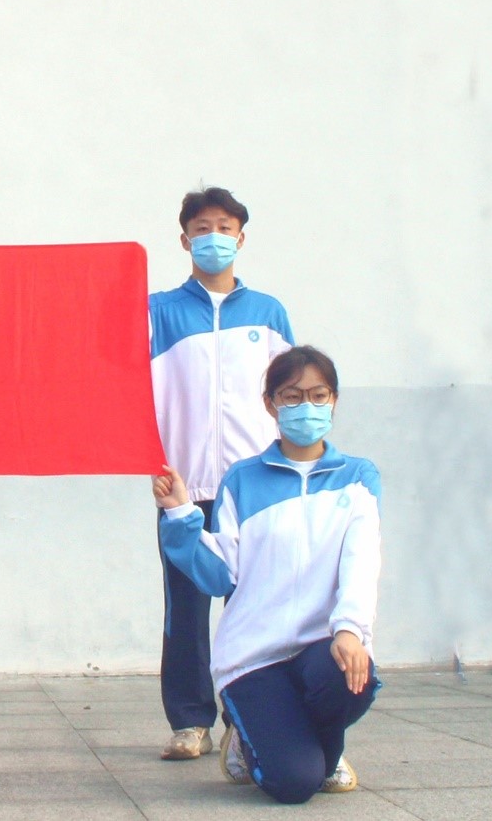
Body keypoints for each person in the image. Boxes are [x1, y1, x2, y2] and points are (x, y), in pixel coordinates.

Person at [153, 345, 381, 804]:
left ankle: (318, 747)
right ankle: (249, 739)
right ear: (270, 404)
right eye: (292, 396)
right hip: (255, 658)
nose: (306, 407)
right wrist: (180, 513)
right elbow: (219, 575)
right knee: (294, 784)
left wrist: (350, 629)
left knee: (349, 676)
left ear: (334, 400)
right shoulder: (243, 479)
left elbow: (362, 561)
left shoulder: (358, 477)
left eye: (318, 395)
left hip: (320, 648)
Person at [148, 186, 294, 760]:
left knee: (251, 607)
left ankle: (246, 716)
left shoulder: (268, 314)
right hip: (181, 487)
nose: (214, 237)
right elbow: (123, 384)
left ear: (241, 238)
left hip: (252, 490)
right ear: (185, 240)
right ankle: (190, 721)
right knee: (185, 608)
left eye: (225, 227)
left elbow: (289, 394)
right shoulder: (157, 312)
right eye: (202, 228)